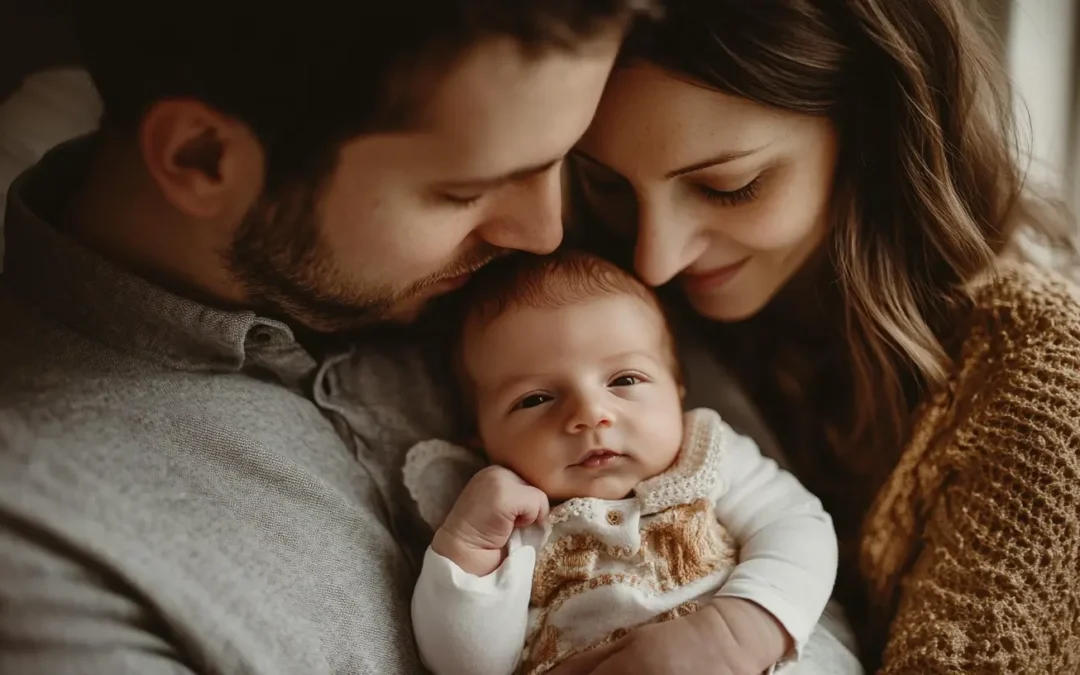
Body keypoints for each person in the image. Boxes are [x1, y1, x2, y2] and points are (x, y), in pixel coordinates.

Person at [0, 2, 659, 673]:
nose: (544, 233)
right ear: (202, 158)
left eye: (563, 160)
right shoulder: (41, 543)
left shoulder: (570, 261)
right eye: (465, 192)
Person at [570, 0, 1080, 673]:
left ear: (871, 127)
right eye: (609, 184)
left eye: (730, 186)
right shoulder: (613, 306)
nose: (653, 258)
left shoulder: (1043, 379)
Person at [402, 250, 864, 675]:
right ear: (481, 437)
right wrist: (470, 544)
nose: (588, 414)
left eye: (624, 379)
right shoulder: (508, 524)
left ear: (677, 388)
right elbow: (467, 665)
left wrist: (739, 630)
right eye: (536, 399)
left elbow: (798, 527)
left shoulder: (705, 453)